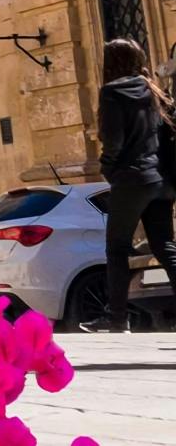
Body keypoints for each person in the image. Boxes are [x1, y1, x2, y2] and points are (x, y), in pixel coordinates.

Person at [86, 37, 176, 332]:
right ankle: (116, 316)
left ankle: (117, 317)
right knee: (165, 246)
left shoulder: (112, 92)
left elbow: (114, 141)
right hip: (161, 181)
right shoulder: (155, 92)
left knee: (117, 248)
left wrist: (108, 168)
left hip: (131, 179)